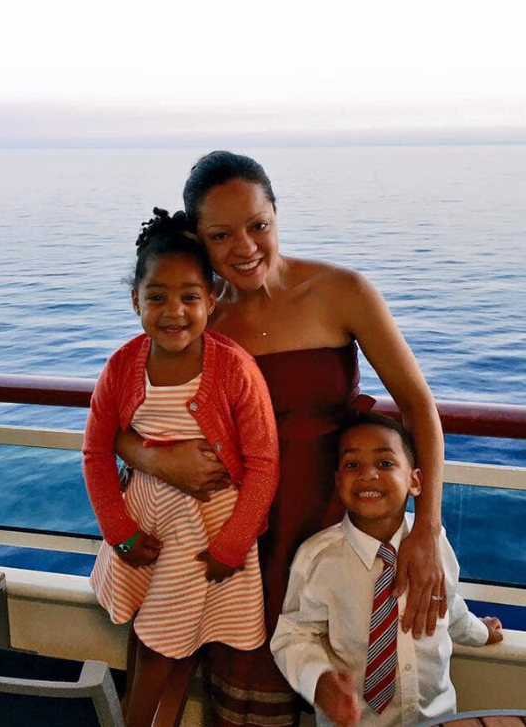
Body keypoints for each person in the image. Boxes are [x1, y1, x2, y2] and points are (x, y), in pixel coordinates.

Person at [113, 151, 448, 727]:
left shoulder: (342, 291)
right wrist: (158, 461)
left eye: (258, 225)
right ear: (198, 238)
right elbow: (127, 422)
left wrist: (426, 528)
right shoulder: (194, 313)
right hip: (232, 527)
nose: (245, 247)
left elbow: (420, 407)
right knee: (213, 671)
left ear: (276, 214)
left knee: (344, 679)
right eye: (221, 235)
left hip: (330, 520)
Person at [82, 207, 279, 727]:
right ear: (135, 301)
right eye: (157, 297)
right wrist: (119, 532)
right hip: (146, 525)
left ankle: (134, 721)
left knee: (162, 642)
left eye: (190, 297)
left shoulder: (235, 369)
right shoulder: (121, 367)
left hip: (205, 532)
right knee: (159, 633)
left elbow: (263, 464)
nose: (174, 312)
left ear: (212, 300)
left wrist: (233, 543)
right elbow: (96, 453)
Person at [271, 412, 503, 727]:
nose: (368, 474)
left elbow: (446, 603)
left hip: (436, 719)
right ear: (338, 481)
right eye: (352, 464)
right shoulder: (318, 559)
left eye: (384, 463)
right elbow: (293, 635)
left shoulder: (434, 545)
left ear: (415, 481)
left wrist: (479, 632)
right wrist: (319, 680)